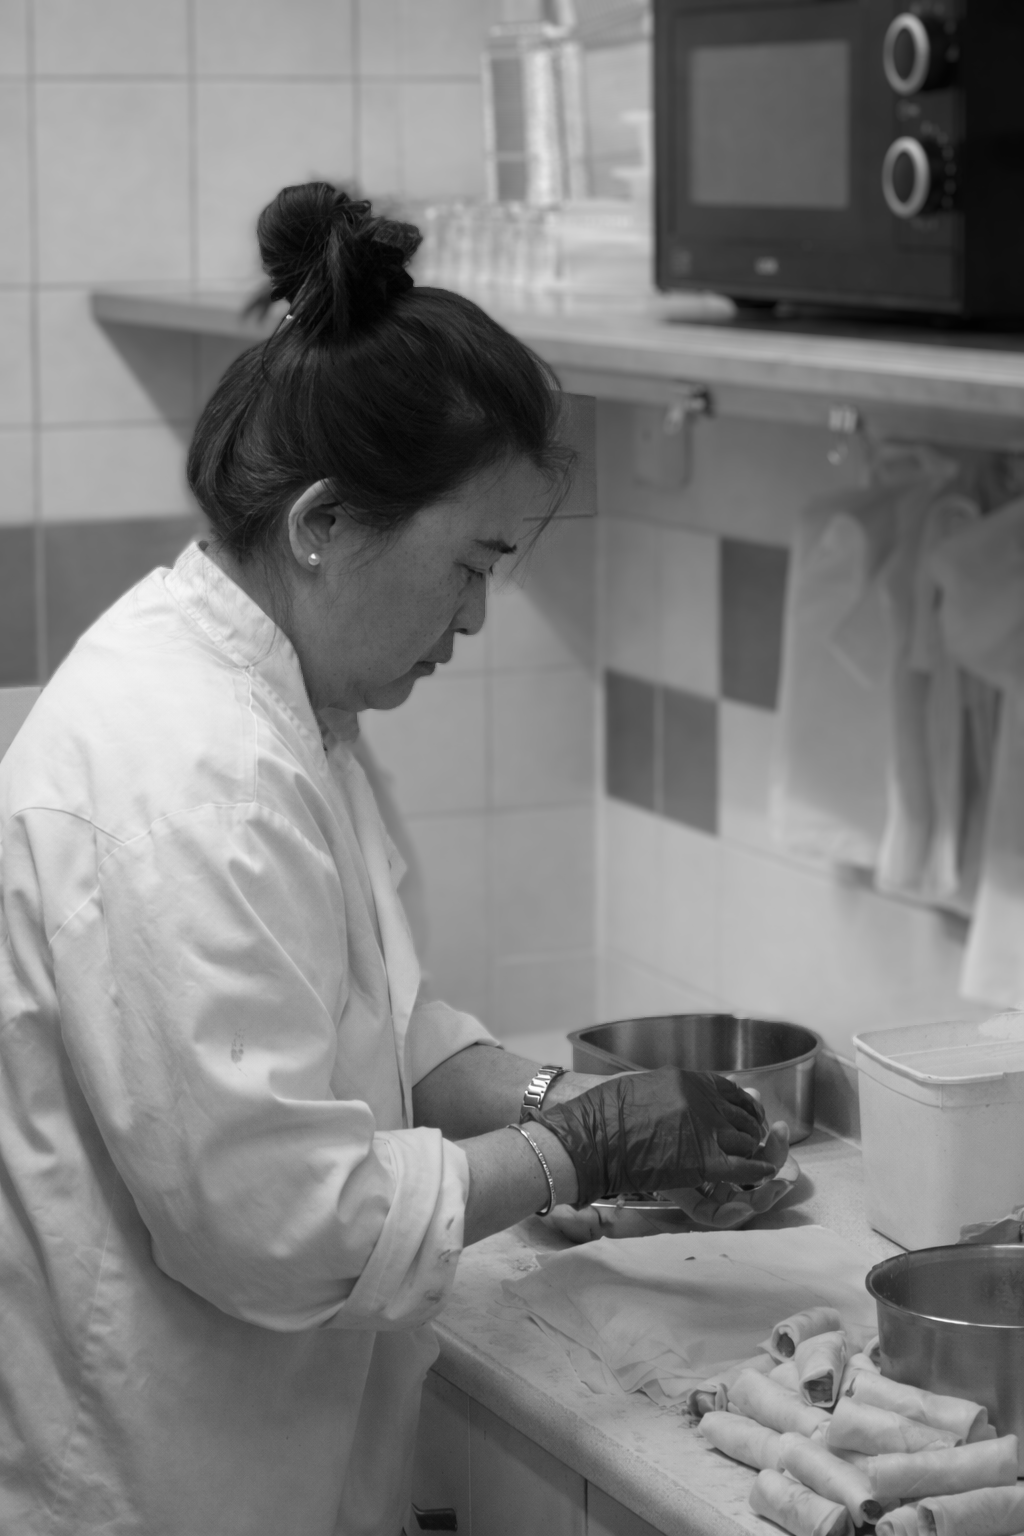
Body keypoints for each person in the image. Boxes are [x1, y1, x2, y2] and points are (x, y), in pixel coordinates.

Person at [0, 184, 775, 1536]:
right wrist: (570, 1154)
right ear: (321, 524)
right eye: (470, 563)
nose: (474, 617)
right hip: (162, 1484)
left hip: (272, 1457)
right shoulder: (188, 773)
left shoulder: (283, 701)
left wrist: (553, 1095)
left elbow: (380, 1015)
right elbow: (279, 1220)